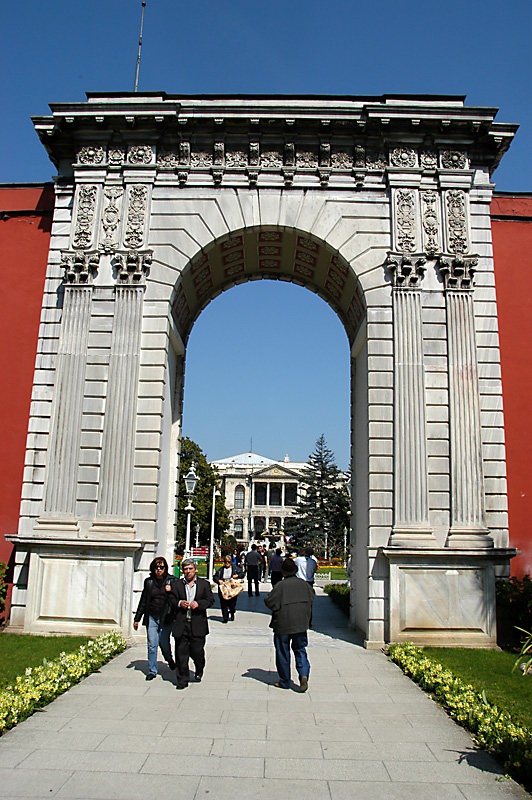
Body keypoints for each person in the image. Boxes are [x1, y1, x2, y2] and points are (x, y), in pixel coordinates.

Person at [264, 557, 315, 692]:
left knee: (283, 652)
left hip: (283, 623)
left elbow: (269, 601)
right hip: (300, 623)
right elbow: (312, 597)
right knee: (300, 649)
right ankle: (303, 674)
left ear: (283, 571)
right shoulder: (304, 585)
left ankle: (285, 681)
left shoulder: (280, 586)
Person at [167, 558, 214, 690]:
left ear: (195, 570)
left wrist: (199, 604)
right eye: (185, 569)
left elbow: (210, 600)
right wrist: (179, 603)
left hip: (197, 624)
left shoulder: (204, 584)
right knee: (181, 653)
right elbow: (170, 600)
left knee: (196, 651)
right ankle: (182, 679)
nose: (188, 571)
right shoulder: (176, 584)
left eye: (190, 569)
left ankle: (199, 668)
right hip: (181, 623)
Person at [133, 556, 175, 680]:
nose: (159, 570)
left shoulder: (172, 581)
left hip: (166, 617)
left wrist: (171, 591)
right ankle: (152, 670)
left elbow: (178, 596)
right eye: (156, 567)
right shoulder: (149, 582)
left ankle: (169, 659)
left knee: (164, 642)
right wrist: (137, 618)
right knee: (152, 644)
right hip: (152, 616)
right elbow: (143, 601)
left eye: (161, 567)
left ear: (165, 568)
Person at [214, 554, 244, 622]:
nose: (227, 563)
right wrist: (218, 580)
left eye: (228, 562)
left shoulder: (235, 568)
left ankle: (232, 611)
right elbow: (215, 577)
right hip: (223, 588)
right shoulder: (220, 570)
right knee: (223, 603)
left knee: (232, 603)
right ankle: (225, 617)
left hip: (232, 588)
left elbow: (242, 574)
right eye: (225, 562)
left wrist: (237, 575)